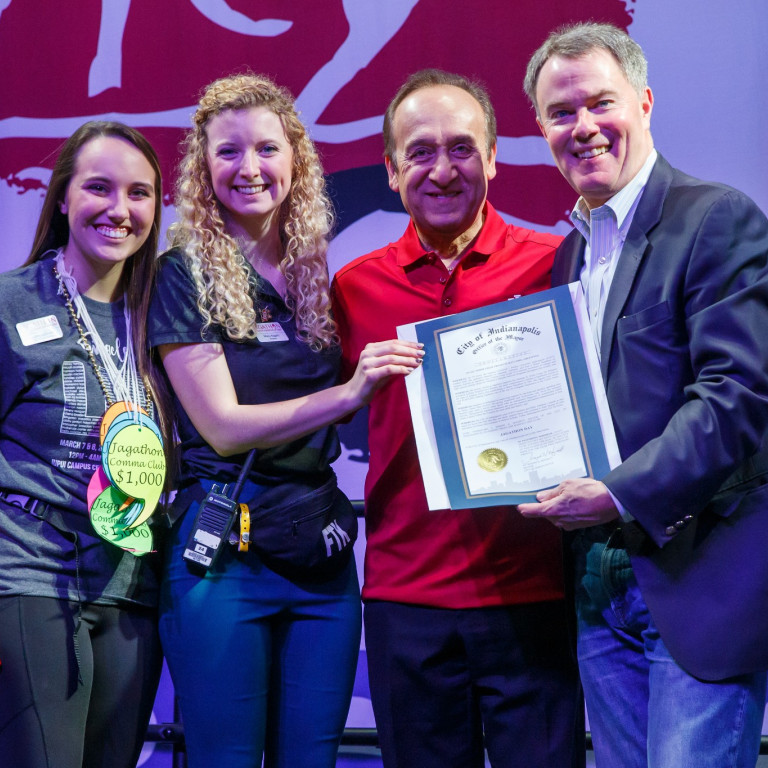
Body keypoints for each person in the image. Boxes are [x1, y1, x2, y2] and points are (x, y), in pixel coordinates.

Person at [147, 73, 422, 768]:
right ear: (203, 168)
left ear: (295, 158)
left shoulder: (311, 272)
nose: (250, 169)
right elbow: (223, 427)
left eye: (267, 149)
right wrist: (349, 394)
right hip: (223, 558)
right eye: (228, 152)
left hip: (320, 552)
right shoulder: (183, 274)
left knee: (314, 758)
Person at [519, 22, 768, 768]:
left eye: (602, 102)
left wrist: (617, 494)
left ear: (646, 102)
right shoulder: (568, 256)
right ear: (541, 129)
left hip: (700, 576)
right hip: (599, 585)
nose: (584, 127)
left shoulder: (716, 217)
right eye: (562, 114)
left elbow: (739, 396)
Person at [331, 69, 585, 768]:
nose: (442, 170)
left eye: (463, 149)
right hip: (404, 599)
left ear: (494, 157)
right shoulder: (353, 287)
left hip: (530, 590)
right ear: (390, 170)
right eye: (419, 152)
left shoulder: (557, 264)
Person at [0, 121, 172, 768]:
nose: (119, 210)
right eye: (99, 188)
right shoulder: (10, 303)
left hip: (131, 582)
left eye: (140, 193)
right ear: (64, 197)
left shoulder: (163, 317)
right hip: (29, 573)